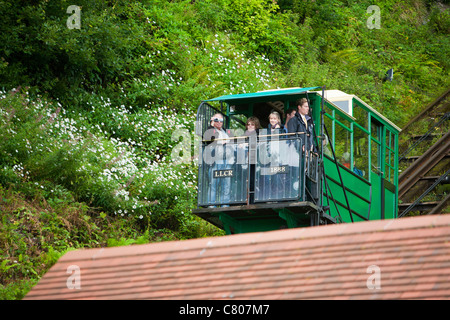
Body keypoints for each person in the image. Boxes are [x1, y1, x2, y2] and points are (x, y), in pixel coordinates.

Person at [203, 113, 234, 207]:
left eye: (221, 120)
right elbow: (208, 139)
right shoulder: (211, 130)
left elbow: (233, 140)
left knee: (226, 183)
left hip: (227, 160)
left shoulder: (226, 131)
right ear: (213, 121)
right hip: (215, 160)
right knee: (213, 183)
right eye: (217, 120)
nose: (219, 122)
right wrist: (211, 125)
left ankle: (225, 204)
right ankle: (211, 204)